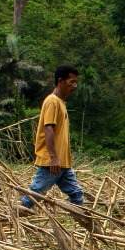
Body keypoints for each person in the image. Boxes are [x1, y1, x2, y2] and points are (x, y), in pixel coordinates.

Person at [22, 65, 86, 208]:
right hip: (52, 163)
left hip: (63, 163)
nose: (75, 86)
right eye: (71, 82)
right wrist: (53, 157)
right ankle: (6, 218)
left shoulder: (61, 103)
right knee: (33, 196)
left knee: (77, 196)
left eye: (76, 82)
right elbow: (48, 128)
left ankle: (83, 228)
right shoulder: (52, 101)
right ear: (60, 81)